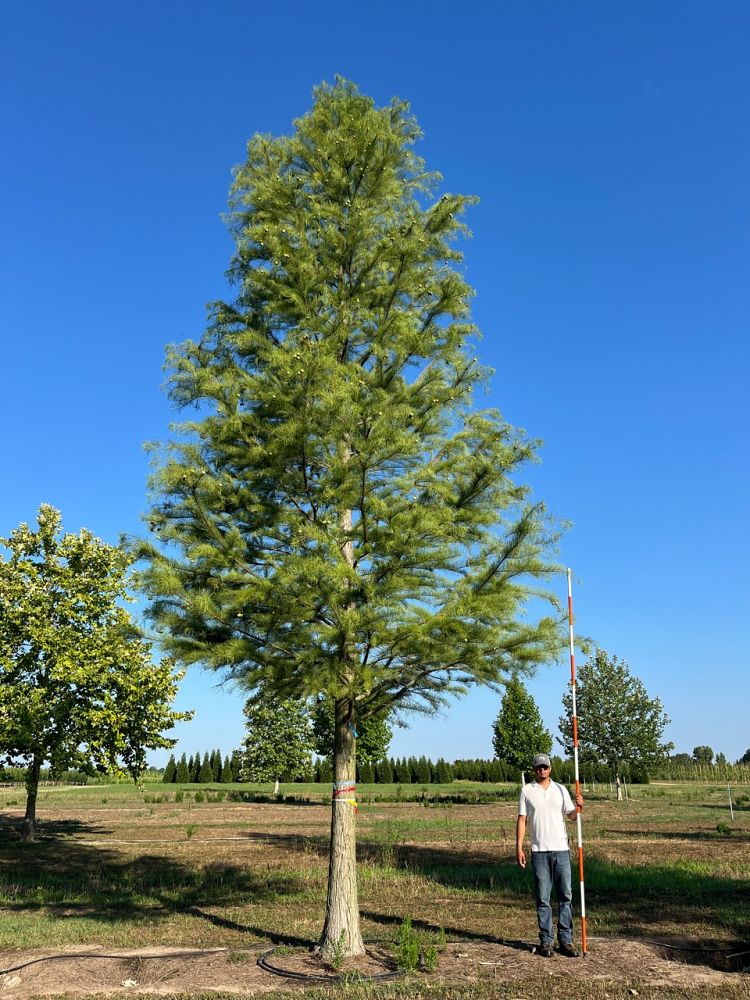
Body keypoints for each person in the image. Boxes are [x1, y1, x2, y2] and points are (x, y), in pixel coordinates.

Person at [516, 752, 584, 958]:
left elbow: (571, 816)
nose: (542, 770)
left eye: (545, 767)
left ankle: (566, 940)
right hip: (539, 852)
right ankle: (546, 941)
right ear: (534, 769)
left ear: (550, 769)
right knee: (543, 898)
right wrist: (518, 846)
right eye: (538, 767)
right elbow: (522, 820)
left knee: (566, 896)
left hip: (561, 850)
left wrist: (579, 807)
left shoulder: (560, 790)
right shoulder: (527, 790)